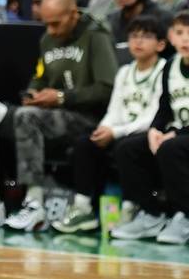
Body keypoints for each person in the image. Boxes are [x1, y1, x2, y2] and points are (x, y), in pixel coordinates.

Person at [0, 0, 116, 232]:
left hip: (88, 119)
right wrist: (32, 94)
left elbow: (107, 89)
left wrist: (61, 97)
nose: (51, 30)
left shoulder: (96, 36)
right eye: (47, 23)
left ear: (73, 14)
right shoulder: (47, 39)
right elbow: (39, 78)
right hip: (49, 115)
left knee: (27, 117)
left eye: (56, 23)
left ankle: (34, 203)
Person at [53, 14, 166, 233]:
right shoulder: (124, 72)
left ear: (160, 44)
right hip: (120, 131)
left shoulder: (163, 70)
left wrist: (115, 132)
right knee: (86, 143)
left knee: (126, 147)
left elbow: (153, 117)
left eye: (146, 36)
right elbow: (114, 110)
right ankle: (83, 209)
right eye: (134, 36)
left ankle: (131, 209)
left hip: (147, 132)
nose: (138, 41)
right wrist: (104, 129)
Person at [112, 10, 189, 244]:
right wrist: (155, 129)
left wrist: (174, 134)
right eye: (180, 32)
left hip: (181, 136)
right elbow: (165, 106)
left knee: (171, 148)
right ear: (171, 37)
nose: (186, 39)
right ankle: (151, 213)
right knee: (128, 148)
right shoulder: (171, 66)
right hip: (177, 133)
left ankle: (185, 215)